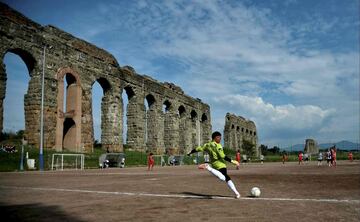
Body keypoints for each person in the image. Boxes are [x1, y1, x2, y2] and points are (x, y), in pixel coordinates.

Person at [187, 131, 241, 199]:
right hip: (221, 164)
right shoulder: (218, 146)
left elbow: (198, 149)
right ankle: (208, 167)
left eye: (220, 138)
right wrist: (233, 161)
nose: (220, 139)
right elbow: (223, 156)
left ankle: (237, 193)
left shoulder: (207, 145)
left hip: (214, 164)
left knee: (226, 178)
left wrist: (190, 152)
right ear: (215, 138)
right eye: (219, 137)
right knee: (223, 178)